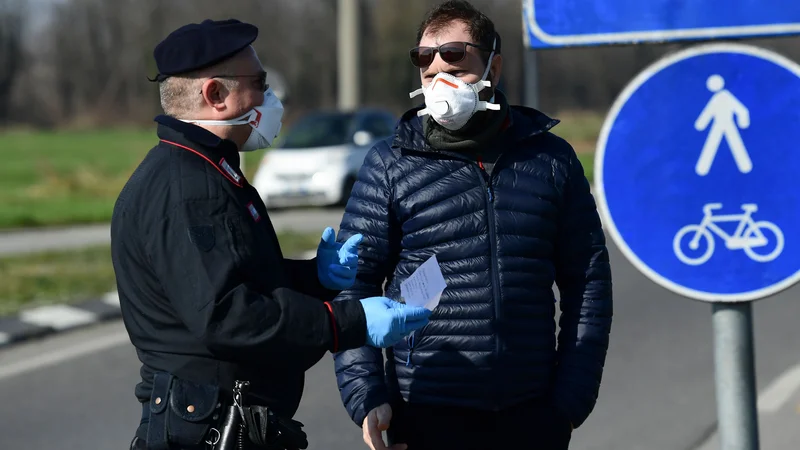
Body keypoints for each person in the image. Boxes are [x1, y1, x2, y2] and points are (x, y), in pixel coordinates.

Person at [110, 19, 431, 450]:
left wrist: (315, 278)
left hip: (229, 422)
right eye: (259, 82)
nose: (270, 97)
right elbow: (226, 314)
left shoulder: (208, 170)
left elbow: (234, 276)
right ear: (216, 95)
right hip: (212, 430)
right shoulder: (187, 188)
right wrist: (346, 323)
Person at [331, 2, 613, 449]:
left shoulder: (550, 160)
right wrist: (367, 395)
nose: (440, 83)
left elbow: (589, 283)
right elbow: (352, 286)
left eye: (456, 68)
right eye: (428, 71)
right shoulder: (390, 164)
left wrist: (570, 401)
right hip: (425, 410)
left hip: (531, 413)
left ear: (493, 69)